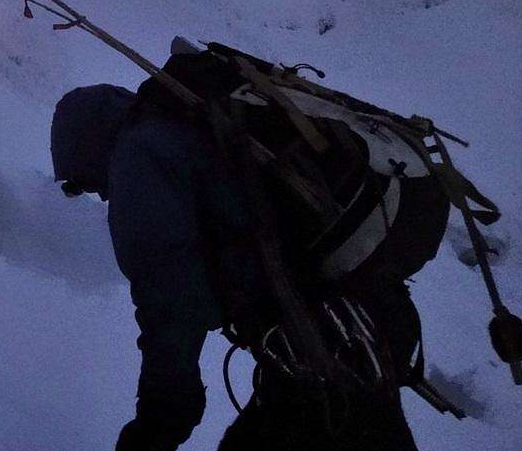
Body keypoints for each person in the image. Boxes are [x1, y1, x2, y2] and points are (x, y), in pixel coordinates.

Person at [51, 51, 426, 451]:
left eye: (83, 183)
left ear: (88, 148)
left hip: (316, 348)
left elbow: (171, 300)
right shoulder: (188, 131)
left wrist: (160, 419)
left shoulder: (139, 159)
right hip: (360, 325)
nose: (100, 194)